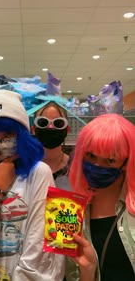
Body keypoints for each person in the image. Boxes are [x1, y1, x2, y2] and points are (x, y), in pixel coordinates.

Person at [0, 89, 97, 281]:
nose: (0, 141)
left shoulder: (39, 173)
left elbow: (38, 250)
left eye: (8, 133)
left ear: (22, 134)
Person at [66, 113, 135, 281]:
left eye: (110, 160)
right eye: (91, 156)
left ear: (127, 162)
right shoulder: (70, 212)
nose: (97, 165)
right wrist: (88, 271)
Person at [32, 101, 71, 190]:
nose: (50, 127)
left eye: (58, 123)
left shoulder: (77, 169)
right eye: (43, 122)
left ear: (67, 129)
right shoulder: (24, 167)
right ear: (33, 129)